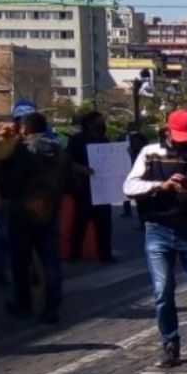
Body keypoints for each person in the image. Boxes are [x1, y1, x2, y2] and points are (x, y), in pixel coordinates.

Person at [123, 110, 187, 368]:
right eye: (179, 139)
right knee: (162, 289)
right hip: (158, 228)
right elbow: (129, 186)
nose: (184, 145)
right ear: (167, 132)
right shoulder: (150, 153)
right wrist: (159, 186)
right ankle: (169, 342)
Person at [1, 111, 69, 324]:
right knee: (50, 261)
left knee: (20, 260)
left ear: (26, 127)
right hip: (49, 209)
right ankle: (52, 307)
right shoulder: (59, 148)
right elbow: (69, 179)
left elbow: (13, 181)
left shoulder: (23, 150)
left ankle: (24, 303)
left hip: (22, 210)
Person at [66, 111, 114, 263]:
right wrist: (82, 169)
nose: (102, 124)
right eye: (99, 121)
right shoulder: (77, 140)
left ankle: (105, 254)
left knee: (104, 222)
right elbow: (68, 161)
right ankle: (75, 254)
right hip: (84, 187)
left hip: (102, 187)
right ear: (90, 123)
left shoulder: (104, 140)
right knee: (81, 221)